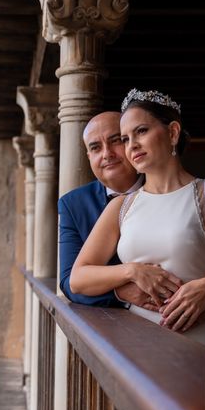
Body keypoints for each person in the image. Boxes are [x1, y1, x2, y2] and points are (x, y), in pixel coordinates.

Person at [70, 89, 205, 343]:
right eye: (125, 138)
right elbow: (78, 279)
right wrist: (132, 272)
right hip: (135, 348)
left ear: (172, 133)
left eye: (141, 131)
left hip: (201, 346)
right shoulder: (121, 207)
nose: (132, 144)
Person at [58, 111, 161, 310]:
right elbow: (68, 281)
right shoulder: (73, 204)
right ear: (89, 156)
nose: (107, 154)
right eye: (95, 148)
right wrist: (120, 293)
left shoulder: (167, 188)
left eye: (116, 141)